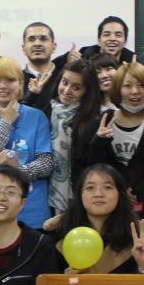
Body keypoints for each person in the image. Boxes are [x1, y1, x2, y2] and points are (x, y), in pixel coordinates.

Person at [73, 61, 144, 222]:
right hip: (108, 210)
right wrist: (99, 142)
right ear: (117, 89)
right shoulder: (102, 121)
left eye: (141, 85)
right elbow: (88, 170)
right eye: (127, 86)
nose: (135, 91)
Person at [0, 57, 53, 229]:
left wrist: (17, 170)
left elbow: (47, 163)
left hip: (32, 210)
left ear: (20, 84)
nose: (3, 86)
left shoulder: (37, 116)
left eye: (10, 80)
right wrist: (6, 122)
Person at [47, 61, 93, 215]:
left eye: (76, 87)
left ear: (86, 92)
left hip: (78, 196)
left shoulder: (91, 122)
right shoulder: (47, 111)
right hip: (46, 193)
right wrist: (32, 96)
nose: (67, 90)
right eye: (64, 82)